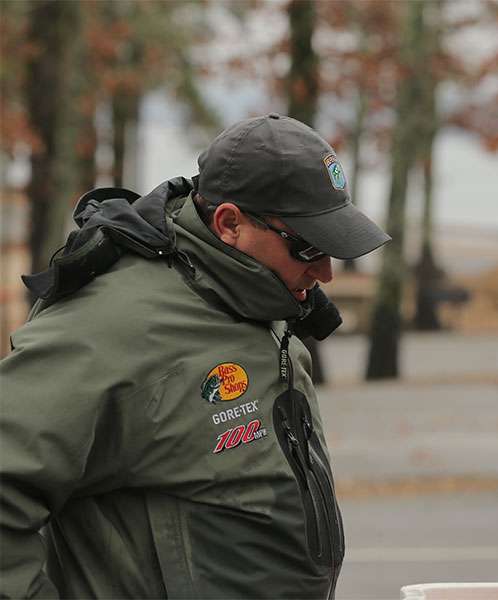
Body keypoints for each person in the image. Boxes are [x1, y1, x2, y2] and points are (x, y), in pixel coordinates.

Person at [0, 114, 390, 598]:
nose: (326, 273)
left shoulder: (262, 305)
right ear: (230, 224)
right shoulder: (113, 327)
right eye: (308, 247)